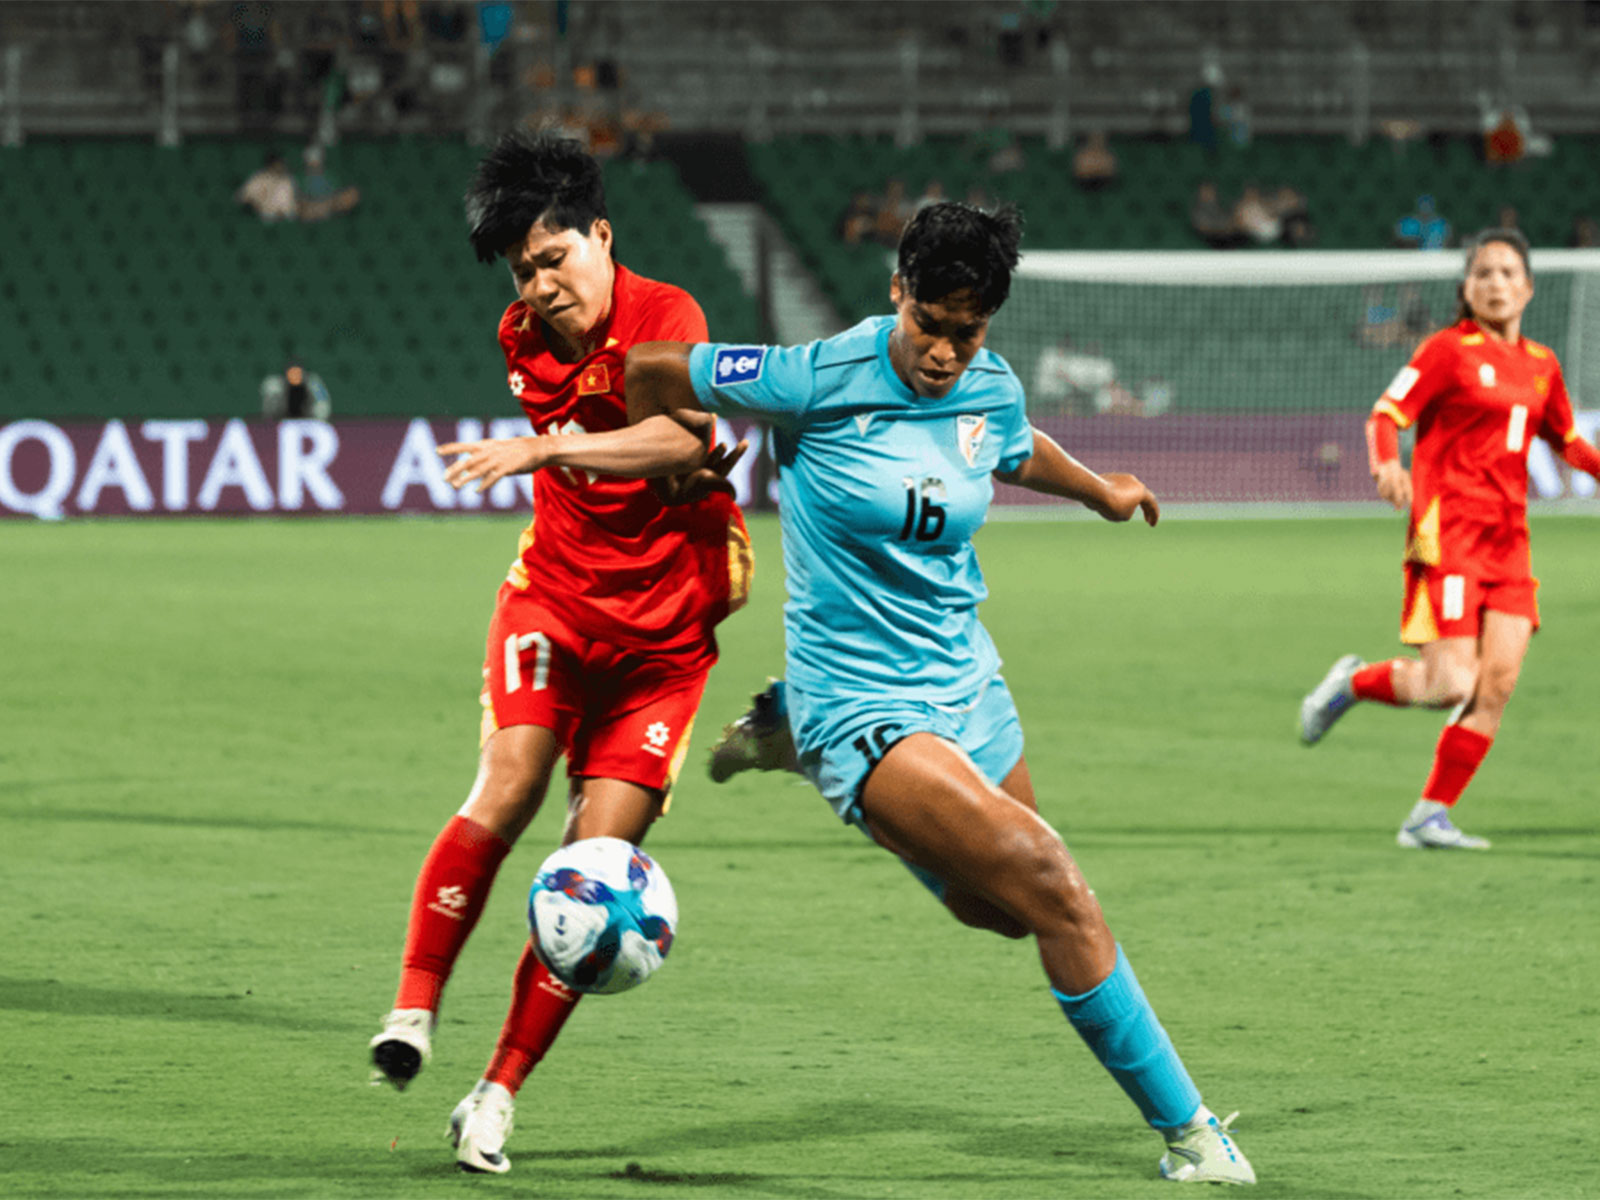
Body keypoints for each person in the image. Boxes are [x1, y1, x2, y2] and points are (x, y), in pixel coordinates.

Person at [623, 202, 1257, 1186]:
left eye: (969, 333)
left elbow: (1010, 442)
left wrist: (1100, 490)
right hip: (858, 699)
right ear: (896, 294)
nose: (946, 353)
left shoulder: (987, 386)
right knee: (1054, 886)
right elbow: (650, 370)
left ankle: (786, 745)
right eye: (932, 324)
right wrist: (680, 462)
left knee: (1000, 913)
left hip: (964, 678)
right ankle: (1191, 1135)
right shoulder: (817, 375)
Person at [366, 129, 752, 1175]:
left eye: (554, 259)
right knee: (508, 784)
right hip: (556, 607)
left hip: (663, 648)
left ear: (603, 236)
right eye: (522, 271)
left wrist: (548, 446)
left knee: (593, 875)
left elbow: (677, 437)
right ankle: (411, 1010)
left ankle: (494, 1095)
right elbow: (666, 448)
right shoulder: (522, 337)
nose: (538, 287)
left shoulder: (668, 316)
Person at [1299, 228, 1600, 849]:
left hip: (1509, 543)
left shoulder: (1542, 365)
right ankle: (1353, 682)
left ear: (1529, 288)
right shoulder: (1447, 350)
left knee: (1497, 686)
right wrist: (1387, 464)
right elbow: (1387, 413)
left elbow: (1565, 438)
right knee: (1450, 686)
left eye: (1508, 273)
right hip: (1448, 535)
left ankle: (1427, 817)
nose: (1496, 283)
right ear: (1466, 288)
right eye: (1484, 273)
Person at [234, 152, 297, 222]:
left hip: (287, 220)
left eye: (283, 163)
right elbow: (241, 197)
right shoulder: (259, 179)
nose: (282, 166)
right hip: (266, 219)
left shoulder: (288, 180)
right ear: (271, 165)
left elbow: (292, 203)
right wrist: (254, 205)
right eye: (279, 163)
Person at [260, 360, 331, 419]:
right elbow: (269, 412)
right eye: (292, 373)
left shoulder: (314, 384)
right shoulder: (275, 386)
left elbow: (323, 406)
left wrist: (315, 419)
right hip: (283, 419)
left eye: (297, 372)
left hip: (308, 421)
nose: (295, 376)